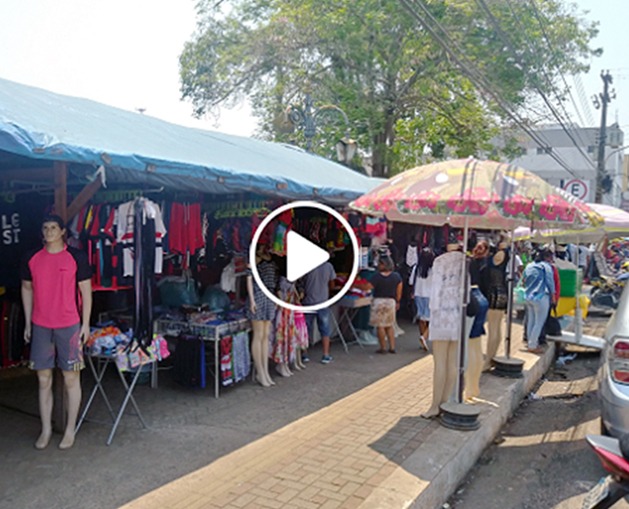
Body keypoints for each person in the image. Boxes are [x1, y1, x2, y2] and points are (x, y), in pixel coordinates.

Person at [21, 214, 92, 450]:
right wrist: (29, 323)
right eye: (45, 227)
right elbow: (26, 288)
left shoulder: (76, 257)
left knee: (71, 377)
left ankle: (70, 429)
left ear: (63, 231)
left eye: (53, 227)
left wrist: (85, 324)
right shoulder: (32, 258)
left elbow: (86, 291)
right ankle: (46, 429)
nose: (49, 231)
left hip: (69, 325)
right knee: (43, 379)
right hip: (41, 324)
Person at [422, 238, 466, 419]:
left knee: (439, 362)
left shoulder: (440, 261)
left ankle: (434, 406)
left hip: (442, 315)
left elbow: (435, 291)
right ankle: (446, 403)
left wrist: (432, 314)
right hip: (458, 316)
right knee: (453, 363)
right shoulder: (466, 261)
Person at [246, 242, 278, 387]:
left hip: (269, 295)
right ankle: (260, 371)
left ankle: (265, 371)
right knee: (258, 335)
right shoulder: (253, 258)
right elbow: (249, 278)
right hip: (259, 294)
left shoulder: (268, 256)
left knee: (266, 335)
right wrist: (252, 300)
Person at [300, 251, 336, 364]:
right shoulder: (328, 266)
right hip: (323, 302)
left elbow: (301, 284)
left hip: (308, 302)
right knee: (325, 330)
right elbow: (332, 284)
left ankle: (304, 354)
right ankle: (326, 355)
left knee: (305, 329)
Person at [522, 248, 555, 354]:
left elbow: (524, 279)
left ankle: (530, 343)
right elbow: (550, 282)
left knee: (531, 320)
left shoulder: (529, 266)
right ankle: (532, 345)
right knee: (539, 322)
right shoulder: (546, 266)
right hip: (541, 296)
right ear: (546, 257)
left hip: (528, 296)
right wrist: (553, 296)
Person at [369, 256, 403, 354]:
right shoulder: (396, 276)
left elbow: (368, 287)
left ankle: (383, 347)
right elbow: (399, 292)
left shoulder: (377, 277)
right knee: (390, 325)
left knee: (380, 326)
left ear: (383, 264)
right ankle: (392, 347)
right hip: (391, 302)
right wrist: (398, 301)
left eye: (380, 263)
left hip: (378, 301)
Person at [413, 247, 435, 351]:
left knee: (422, 318)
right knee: (433, 319)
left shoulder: (416, 268)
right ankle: (424, 337)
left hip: (418, 294)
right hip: (430, 296)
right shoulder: (434, 269)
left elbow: (410, 282)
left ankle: (423, 338)